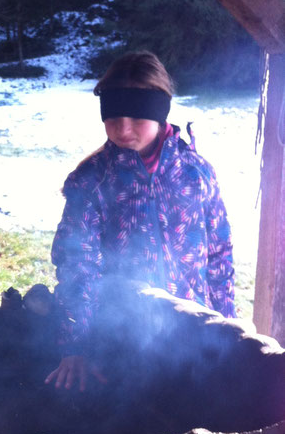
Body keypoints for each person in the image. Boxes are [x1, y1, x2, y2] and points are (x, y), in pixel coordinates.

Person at [45, 51, 235, 395]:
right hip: (118, 341)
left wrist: (228, 331)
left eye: (136, 116)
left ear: (160, 112)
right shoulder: (92, 181)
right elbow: (77, 264)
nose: (123, 128)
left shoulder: (195, 173)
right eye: (113, 116)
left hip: (194, 336)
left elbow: (219, 256)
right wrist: (76, 344)